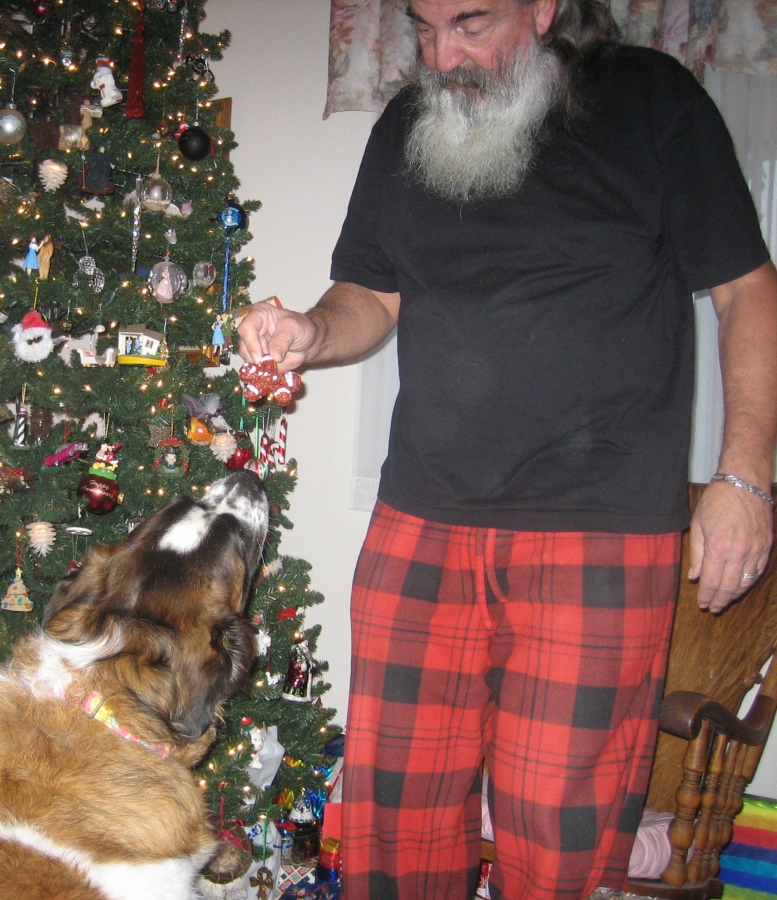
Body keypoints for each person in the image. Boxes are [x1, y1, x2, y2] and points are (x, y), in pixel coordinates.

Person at [236, 0, 777, 896]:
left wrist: (745, 477)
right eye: (423, 29)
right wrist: (308, 331)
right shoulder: (408, 125)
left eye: (472, 24)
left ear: (543, 7)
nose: (443, 54)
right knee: (394, 824)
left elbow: (746, 290)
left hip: (598, 529)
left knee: (560, 839)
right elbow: (370, 294)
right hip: (422, 517)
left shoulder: (650, 99)